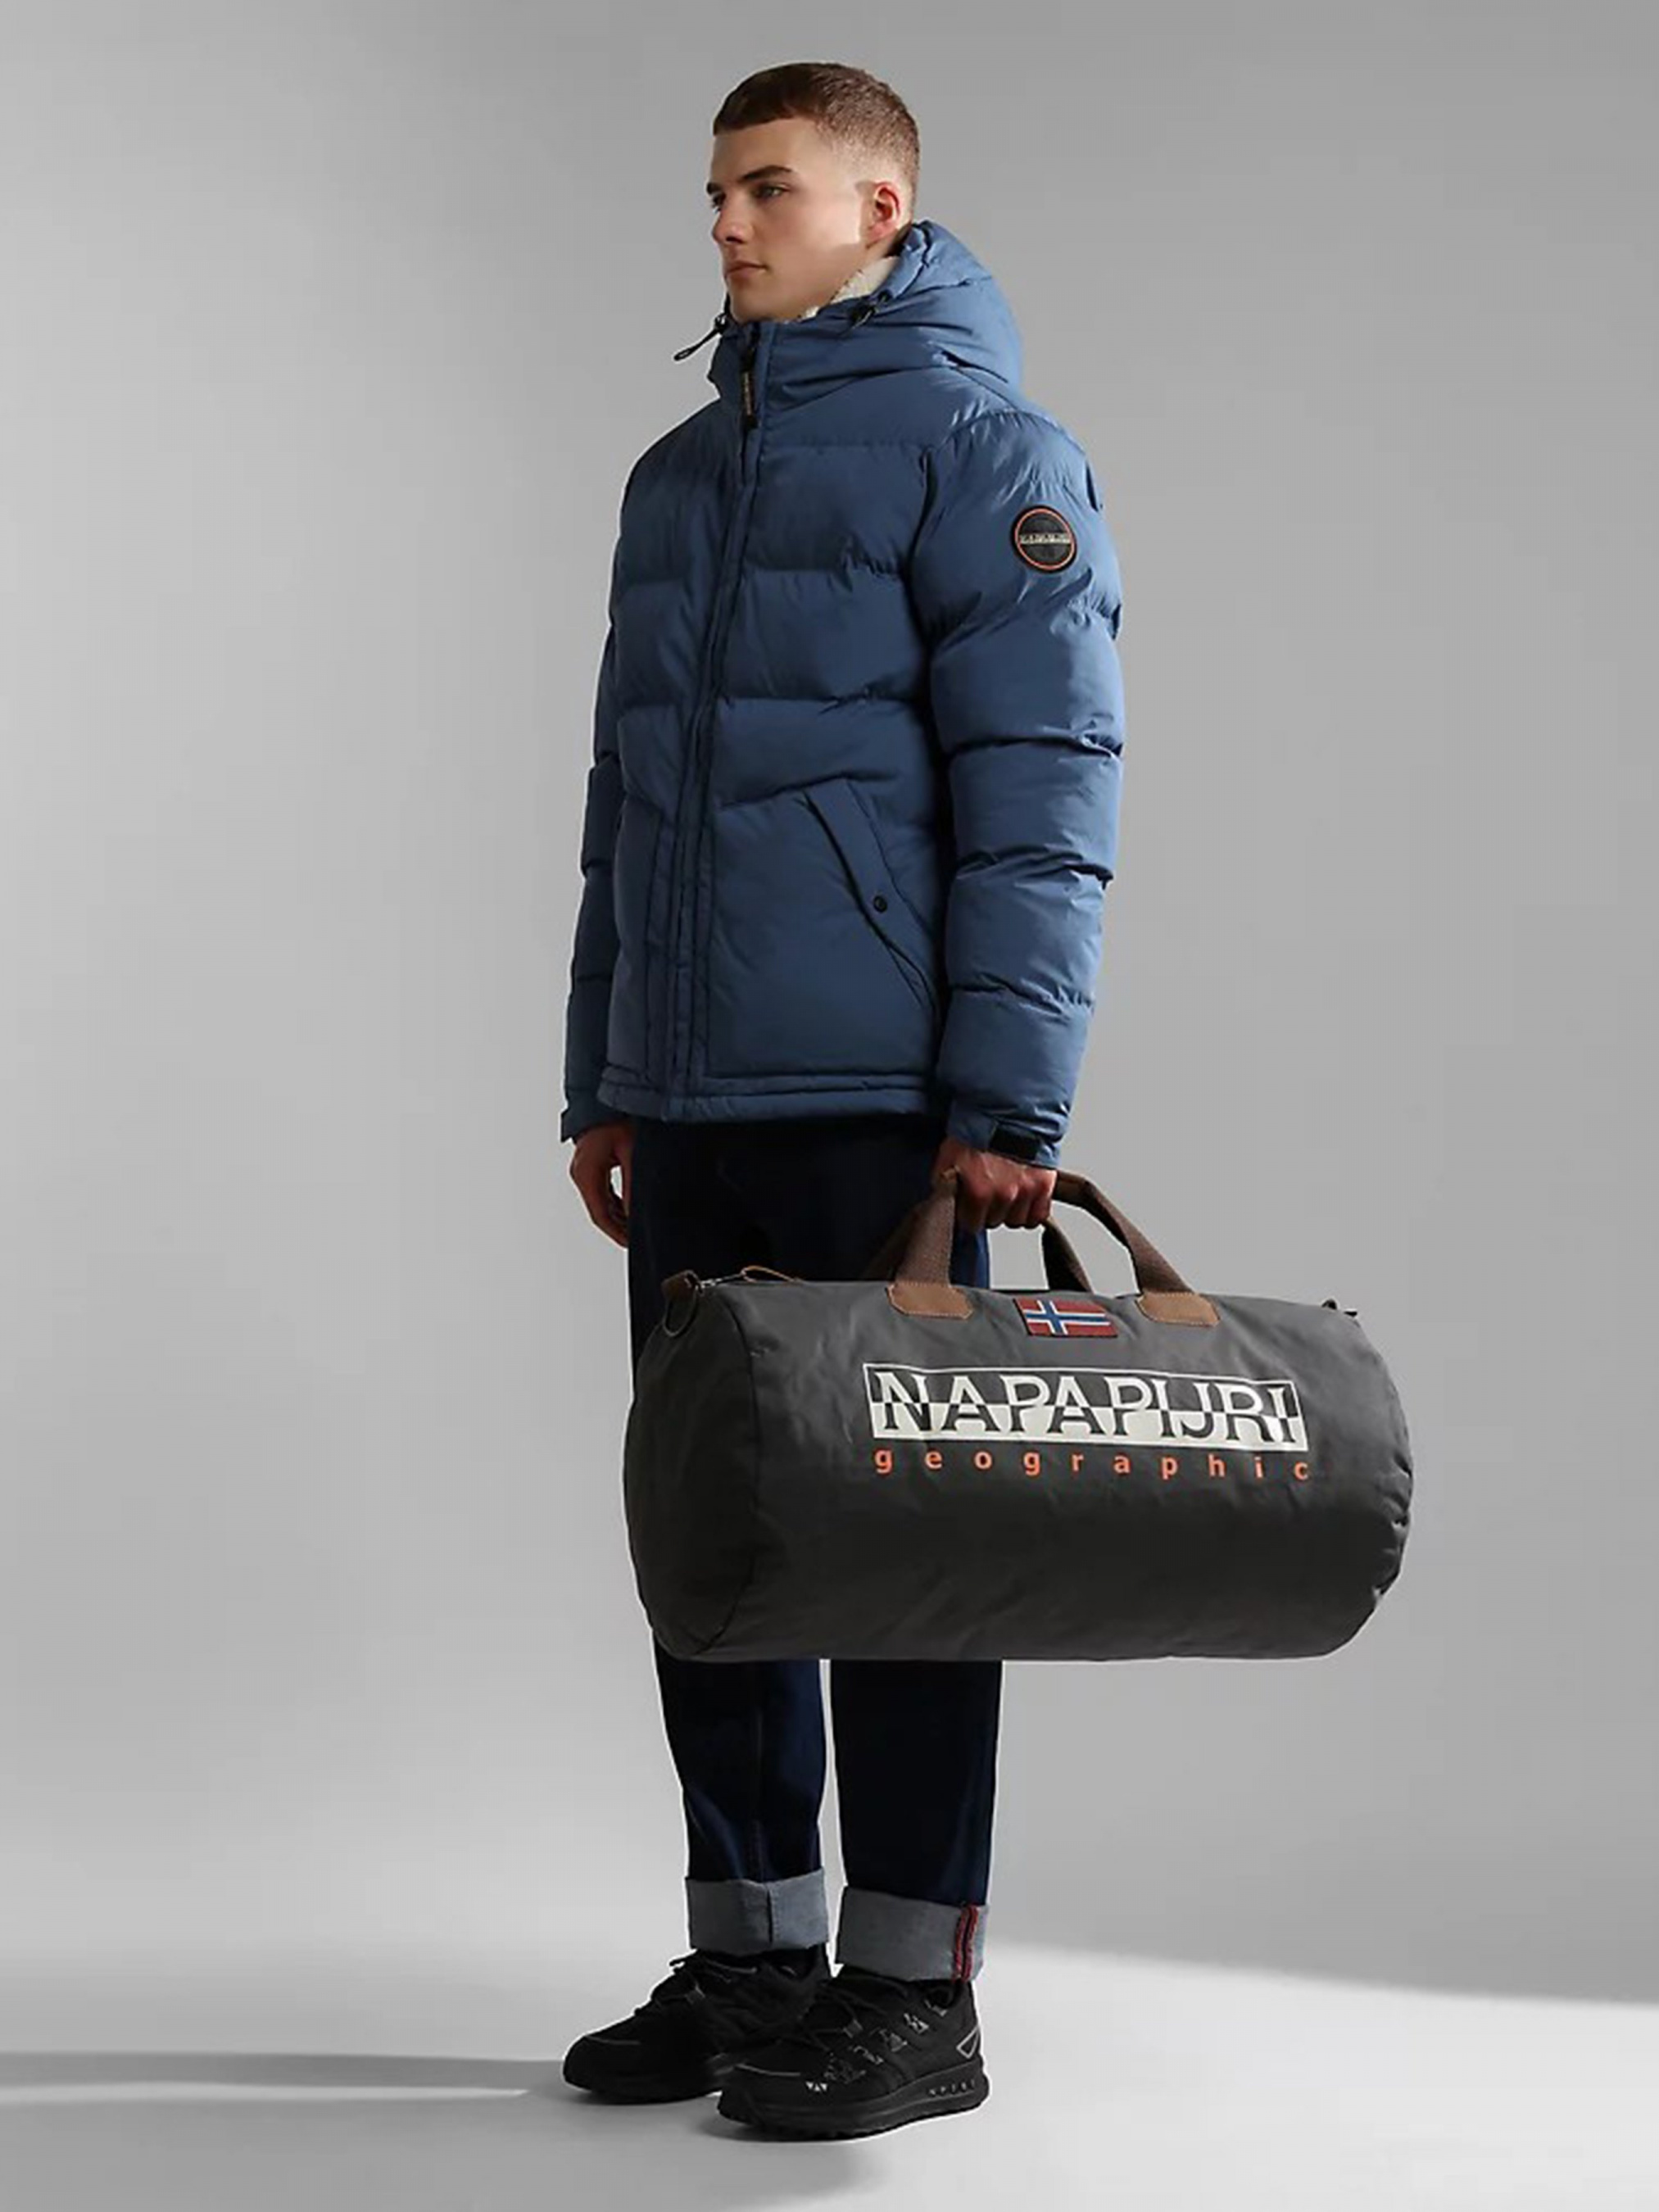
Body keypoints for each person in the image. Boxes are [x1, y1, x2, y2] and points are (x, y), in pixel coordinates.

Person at [558, 61, 1126, 2139]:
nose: (723, 222)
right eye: (714, 190)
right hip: (687, 1100)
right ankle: (750, 1962)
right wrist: (603, 1075)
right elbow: (625, 803)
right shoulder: (677, 477)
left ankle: (910, 1992)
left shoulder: (987, 453)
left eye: (766, 187)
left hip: (883, 1107)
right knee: (710, 1535)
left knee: (904, 1552)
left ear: (879, 208)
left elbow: (1044, 792)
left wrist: (1007, 1101)